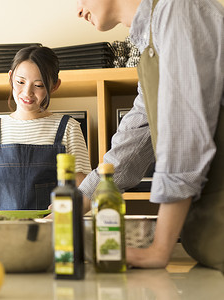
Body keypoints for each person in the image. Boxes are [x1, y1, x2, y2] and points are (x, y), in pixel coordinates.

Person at [75, 0, 224, 271]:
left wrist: (159, 249)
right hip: (210, 245)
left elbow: (184, 135)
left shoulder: (178, 9)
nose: (78, 10)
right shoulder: (149, 42)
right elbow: (132, 143)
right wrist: (68, 209)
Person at [0, 45, 92, 210]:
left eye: (39, 85)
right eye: (20, 82)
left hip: (52, 229)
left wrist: (64, 209)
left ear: (54, 86)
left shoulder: (68, 127)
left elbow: (85, 190)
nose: (27, 92)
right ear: (10, 78)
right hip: (4, 231)